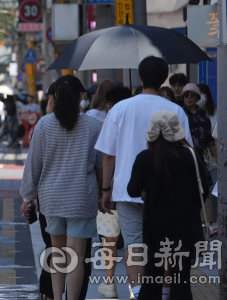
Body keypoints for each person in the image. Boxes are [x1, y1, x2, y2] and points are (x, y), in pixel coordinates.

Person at [95, 57, 193, 300]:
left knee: (135, 246)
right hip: (167, 192)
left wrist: (106, 190)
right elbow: (186, 149)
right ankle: (166, 293)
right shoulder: (176, 110)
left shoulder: (120, 108)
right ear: (164, 79)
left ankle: (139, 294)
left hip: (127, 191)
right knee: (166, 245)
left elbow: (108, 156)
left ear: (140, 77)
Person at [20, 75, 103, 300]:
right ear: (80, 98)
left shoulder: (44, 124)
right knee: (76, 256)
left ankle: (57, 298)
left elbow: (33, 163)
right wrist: (105, 192)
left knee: (57, 254)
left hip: (52, 199)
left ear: (54, 98)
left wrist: (27, 196)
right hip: (81, 198)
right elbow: (101, 164)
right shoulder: (94, 126)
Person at [127, 111, 209, 300]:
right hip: (185, 227)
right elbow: (203, 189)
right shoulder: (191, 155)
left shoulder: (144, 158)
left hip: (155, 228)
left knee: (152, 279)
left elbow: (132, 190)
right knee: (181, 281)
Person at [95, 85, 132, 299]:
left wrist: (105, 189)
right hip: (138, 189)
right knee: (134, 239)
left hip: (114, 188)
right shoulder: (142, 119)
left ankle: (110, 283)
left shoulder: (110, 119)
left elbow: (106, 157)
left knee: (109, 238)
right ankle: (135, 284)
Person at [182, 83, 217, 235]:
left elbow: (209, 138)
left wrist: (215, 156)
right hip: (184, 157)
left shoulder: (204, 115)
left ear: (197, 97)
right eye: (186, 95)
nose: (189, 98)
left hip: (201, 156)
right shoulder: (179, 113)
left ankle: (208, 223)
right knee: (186, 190)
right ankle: (188, 222)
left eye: (192, 95)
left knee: (206, 189)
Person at [198, 82, 218, 231]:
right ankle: (206, 222)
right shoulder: (192, 114)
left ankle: (212, 221)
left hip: (213, 155)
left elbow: (214, 137)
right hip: (200, 154)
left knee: (213, 187)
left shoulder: (214, 113)